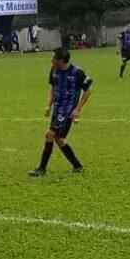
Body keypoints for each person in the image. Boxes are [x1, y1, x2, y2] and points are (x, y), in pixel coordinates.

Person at [29, 47, 94, 177]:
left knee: (50, 135)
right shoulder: (54, 70)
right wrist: (48, 105)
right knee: (59, 139)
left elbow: (88, 91)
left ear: (61, 61)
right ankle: (77, 166)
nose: (51, 61)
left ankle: (41, 169)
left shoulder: (78, 72)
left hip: (67, 111)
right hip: (57, 109)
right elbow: (53, 88)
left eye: (53, 58)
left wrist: (77, 109)